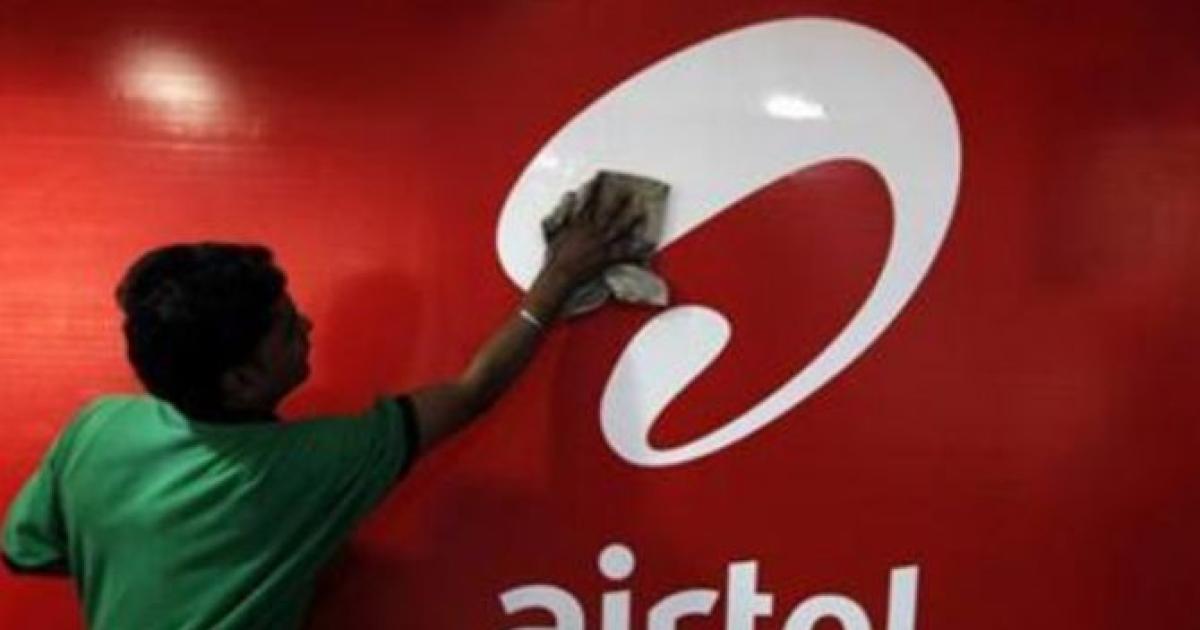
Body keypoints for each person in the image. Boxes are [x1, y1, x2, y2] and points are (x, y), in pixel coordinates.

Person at [2, 187, 645, 629]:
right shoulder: (310, 465)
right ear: (241, 380)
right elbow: (473, 390)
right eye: (287, 330)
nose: (307, 327)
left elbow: (24, 550)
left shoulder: (97, 428)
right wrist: (558, 279)